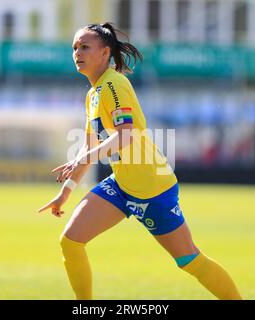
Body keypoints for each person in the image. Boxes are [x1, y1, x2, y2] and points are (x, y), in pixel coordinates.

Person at [38, 23, 242, 300]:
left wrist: (85, 157)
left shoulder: (114, 84)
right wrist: (65, 193)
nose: (77, 52)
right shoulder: (93, 94)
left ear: (104, 52)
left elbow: (126, 135)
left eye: (85, 47)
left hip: (152, 188)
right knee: (71, 241)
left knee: (189, 260)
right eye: (75, 47)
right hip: (122, 185)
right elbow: (90, 145)